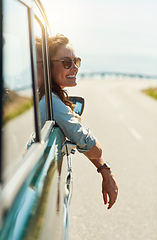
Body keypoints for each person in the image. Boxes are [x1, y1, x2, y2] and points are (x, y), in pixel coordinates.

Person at [38, 34, 118, 209]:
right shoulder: (52, 104)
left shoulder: (46, 100)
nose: (75, 68)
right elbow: (96, 149)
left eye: (77, 61)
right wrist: (75, 122)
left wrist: (104, 169)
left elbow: (81, 139)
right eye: (67, 62)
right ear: (47, 67)